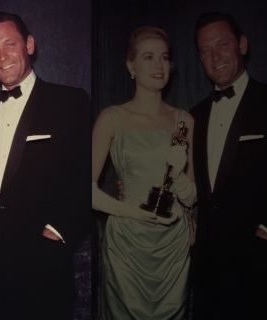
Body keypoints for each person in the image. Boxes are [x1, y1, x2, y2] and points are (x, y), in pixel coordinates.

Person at [0, 12, 91, 319]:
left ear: (29, 45)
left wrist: (60, 231)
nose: (2, 57)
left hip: (45, 263)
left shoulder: (69, 102)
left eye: (9, 44)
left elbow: (86, 175)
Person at [190, 12, 267, 320]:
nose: (215, 56)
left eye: (222, 44)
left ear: (242, 45)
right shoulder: (193, 116)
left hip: (258, 267)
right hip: (206, 272)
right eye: (205, 50)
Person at [91, 26, 196, 319]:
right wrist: (133, 211)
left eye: (164, 57)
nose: (159, 65)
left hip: (172, 245)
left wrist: (176, 174)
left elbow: (192, 196)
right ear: (131, 66)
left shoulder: (184, 120)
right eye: (148, 57)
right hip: (127, 243)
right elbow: (86, 190)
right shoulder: (112, 118)